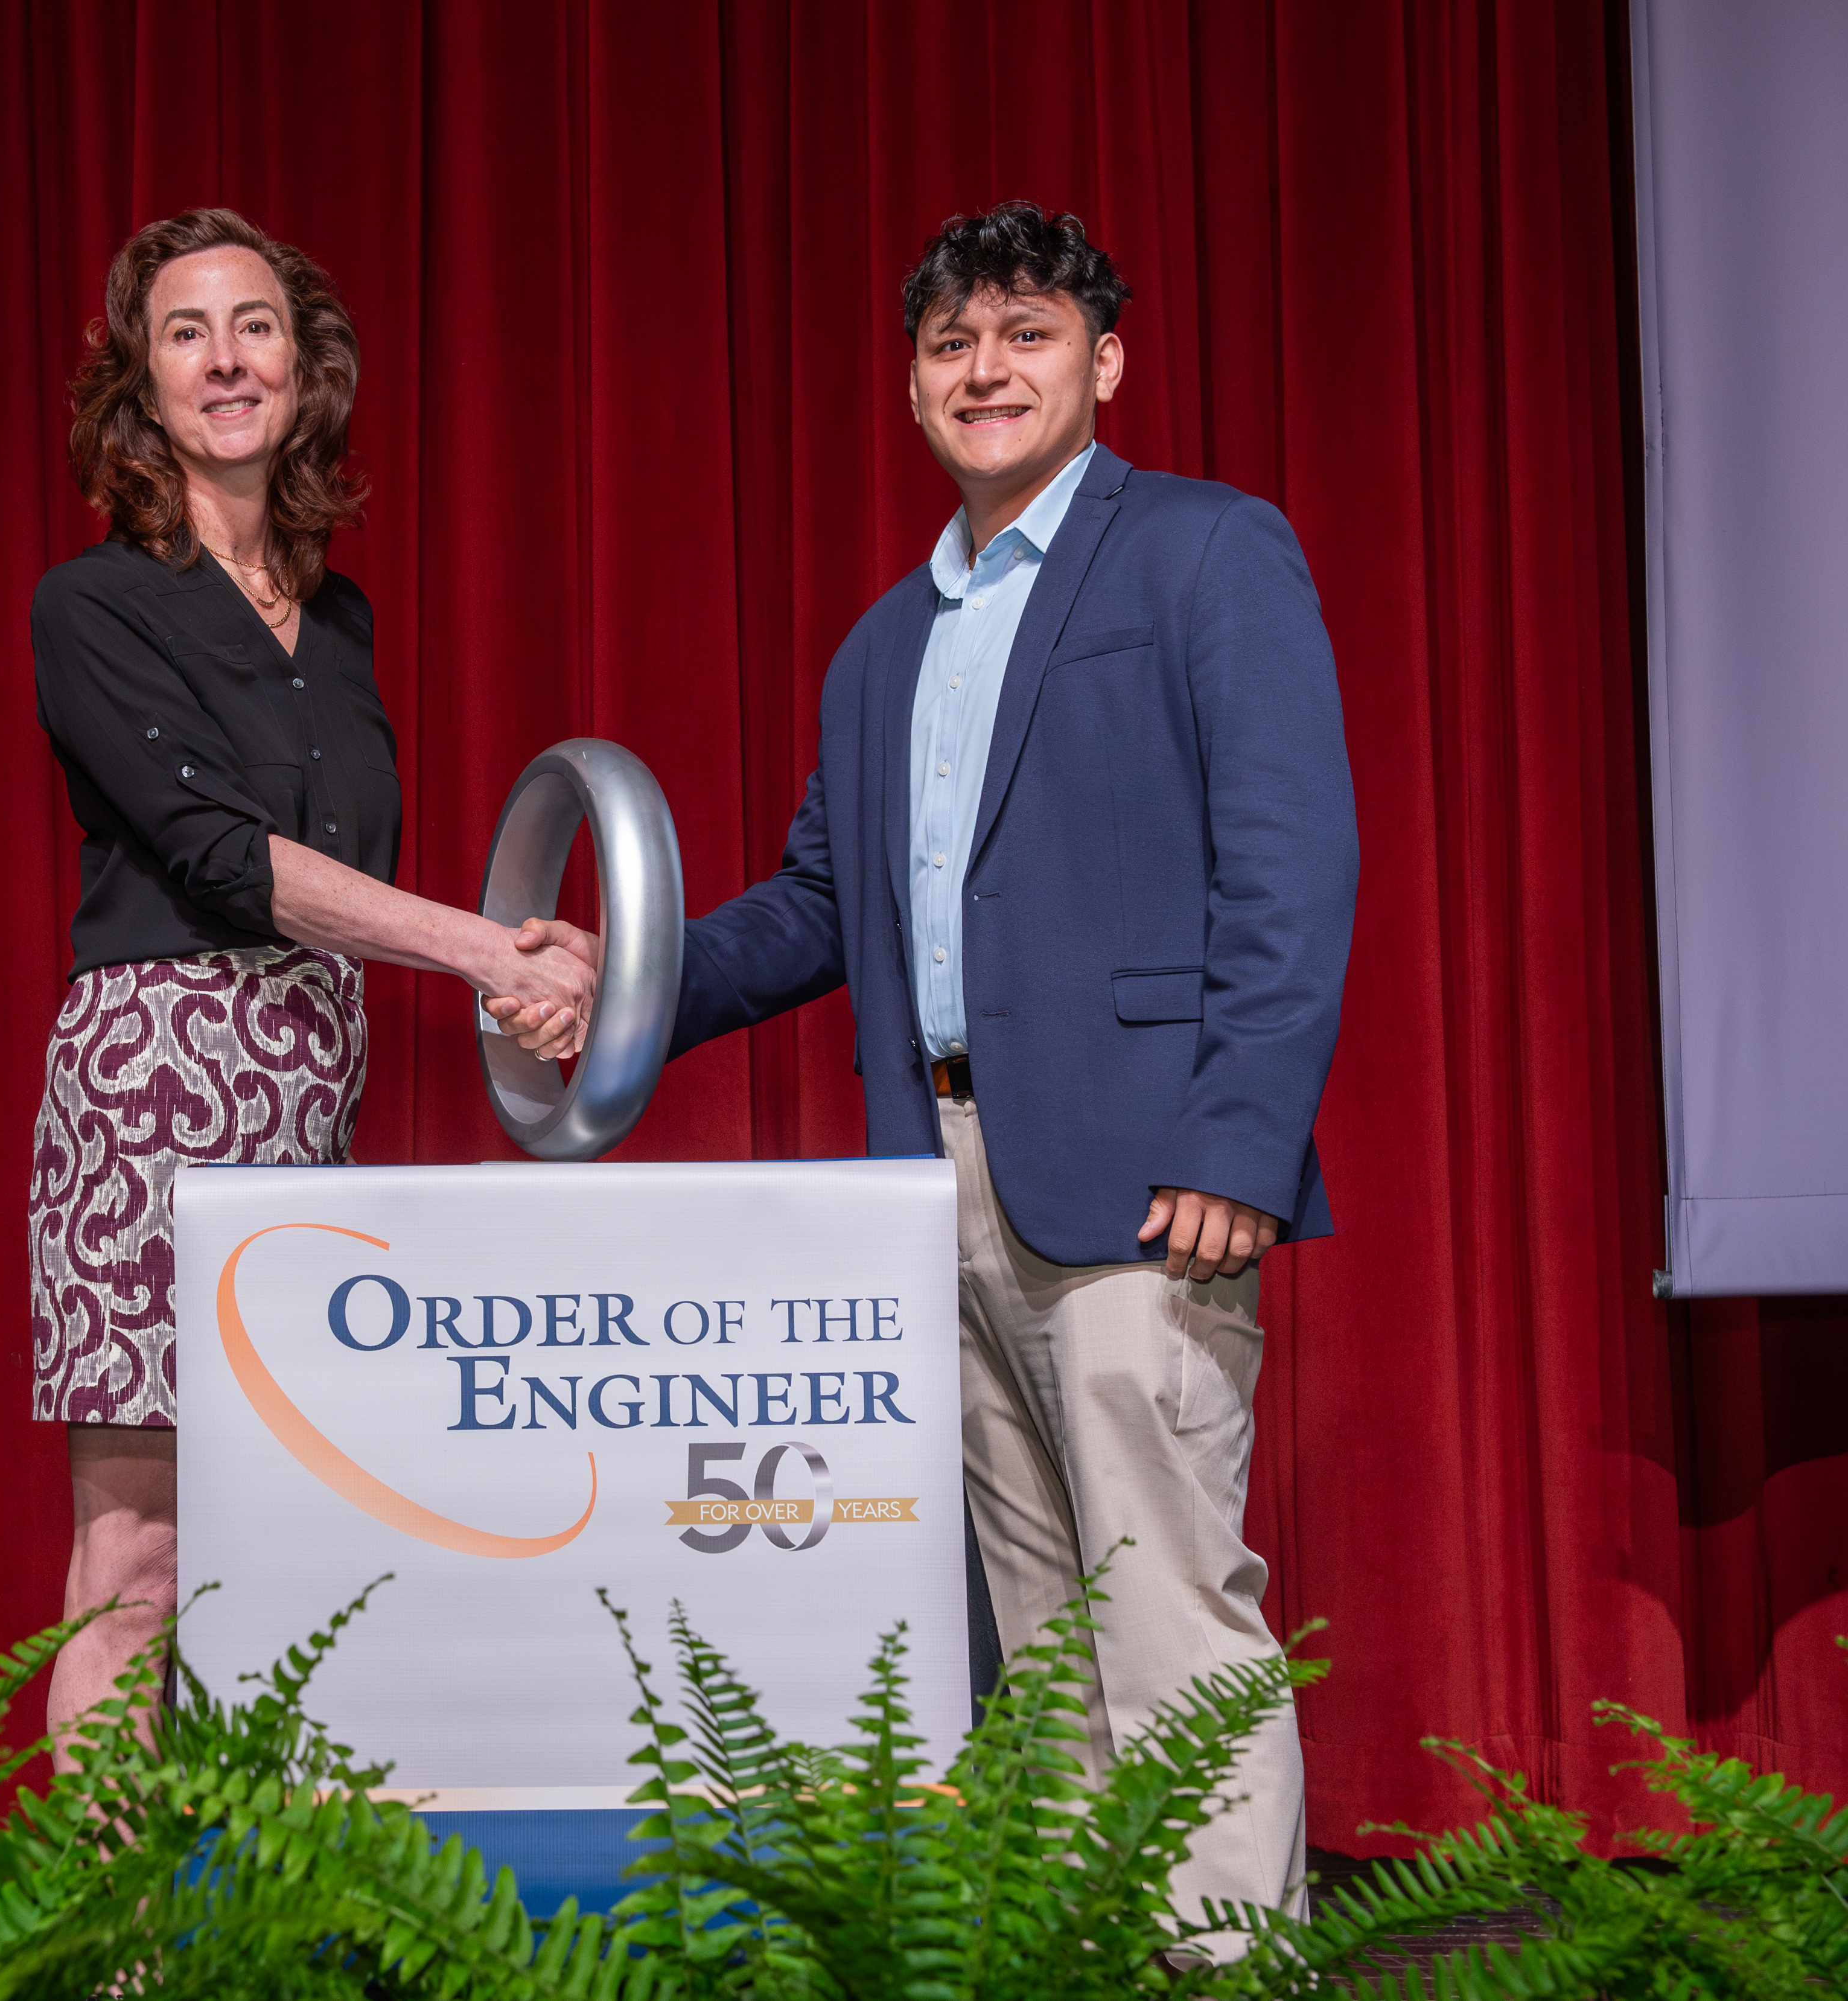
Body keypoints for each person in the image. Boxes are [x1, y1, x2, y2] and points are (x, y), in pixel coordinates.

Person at [507, 202, 1357, 1922]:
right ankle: (1079, 1959)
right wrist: (624, 987)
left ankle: (1223, 1966)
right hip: (934, 1174)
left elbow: (1292, 865)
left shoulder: (1206, 552)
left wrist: (1236, 1137)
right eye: (953, 343)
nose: (987, 368)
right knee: (1037, 1635)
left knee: (1166, 1600)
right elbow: (825, 906)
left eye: (1027, 333)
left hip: (1142, 1178)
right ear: (911, 385)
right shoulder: (882, 643)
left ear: (1102, 363)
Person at [28, 207, 593, 1750]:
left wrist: (532, 965)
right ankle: (112, 1953)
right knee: (136, 1557)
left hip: (304, 1085)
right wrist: (489, 949)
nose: (226, 358)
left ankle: (245, 1919)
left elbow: (343, 877)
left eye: (255, 325)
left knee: (284, 1546)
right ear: (140, 385)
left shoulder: (336, 616)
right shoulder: (91, 605)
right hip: (154, 1085)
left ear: (305, 365)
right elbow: (219, 855)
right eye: (186, 331)